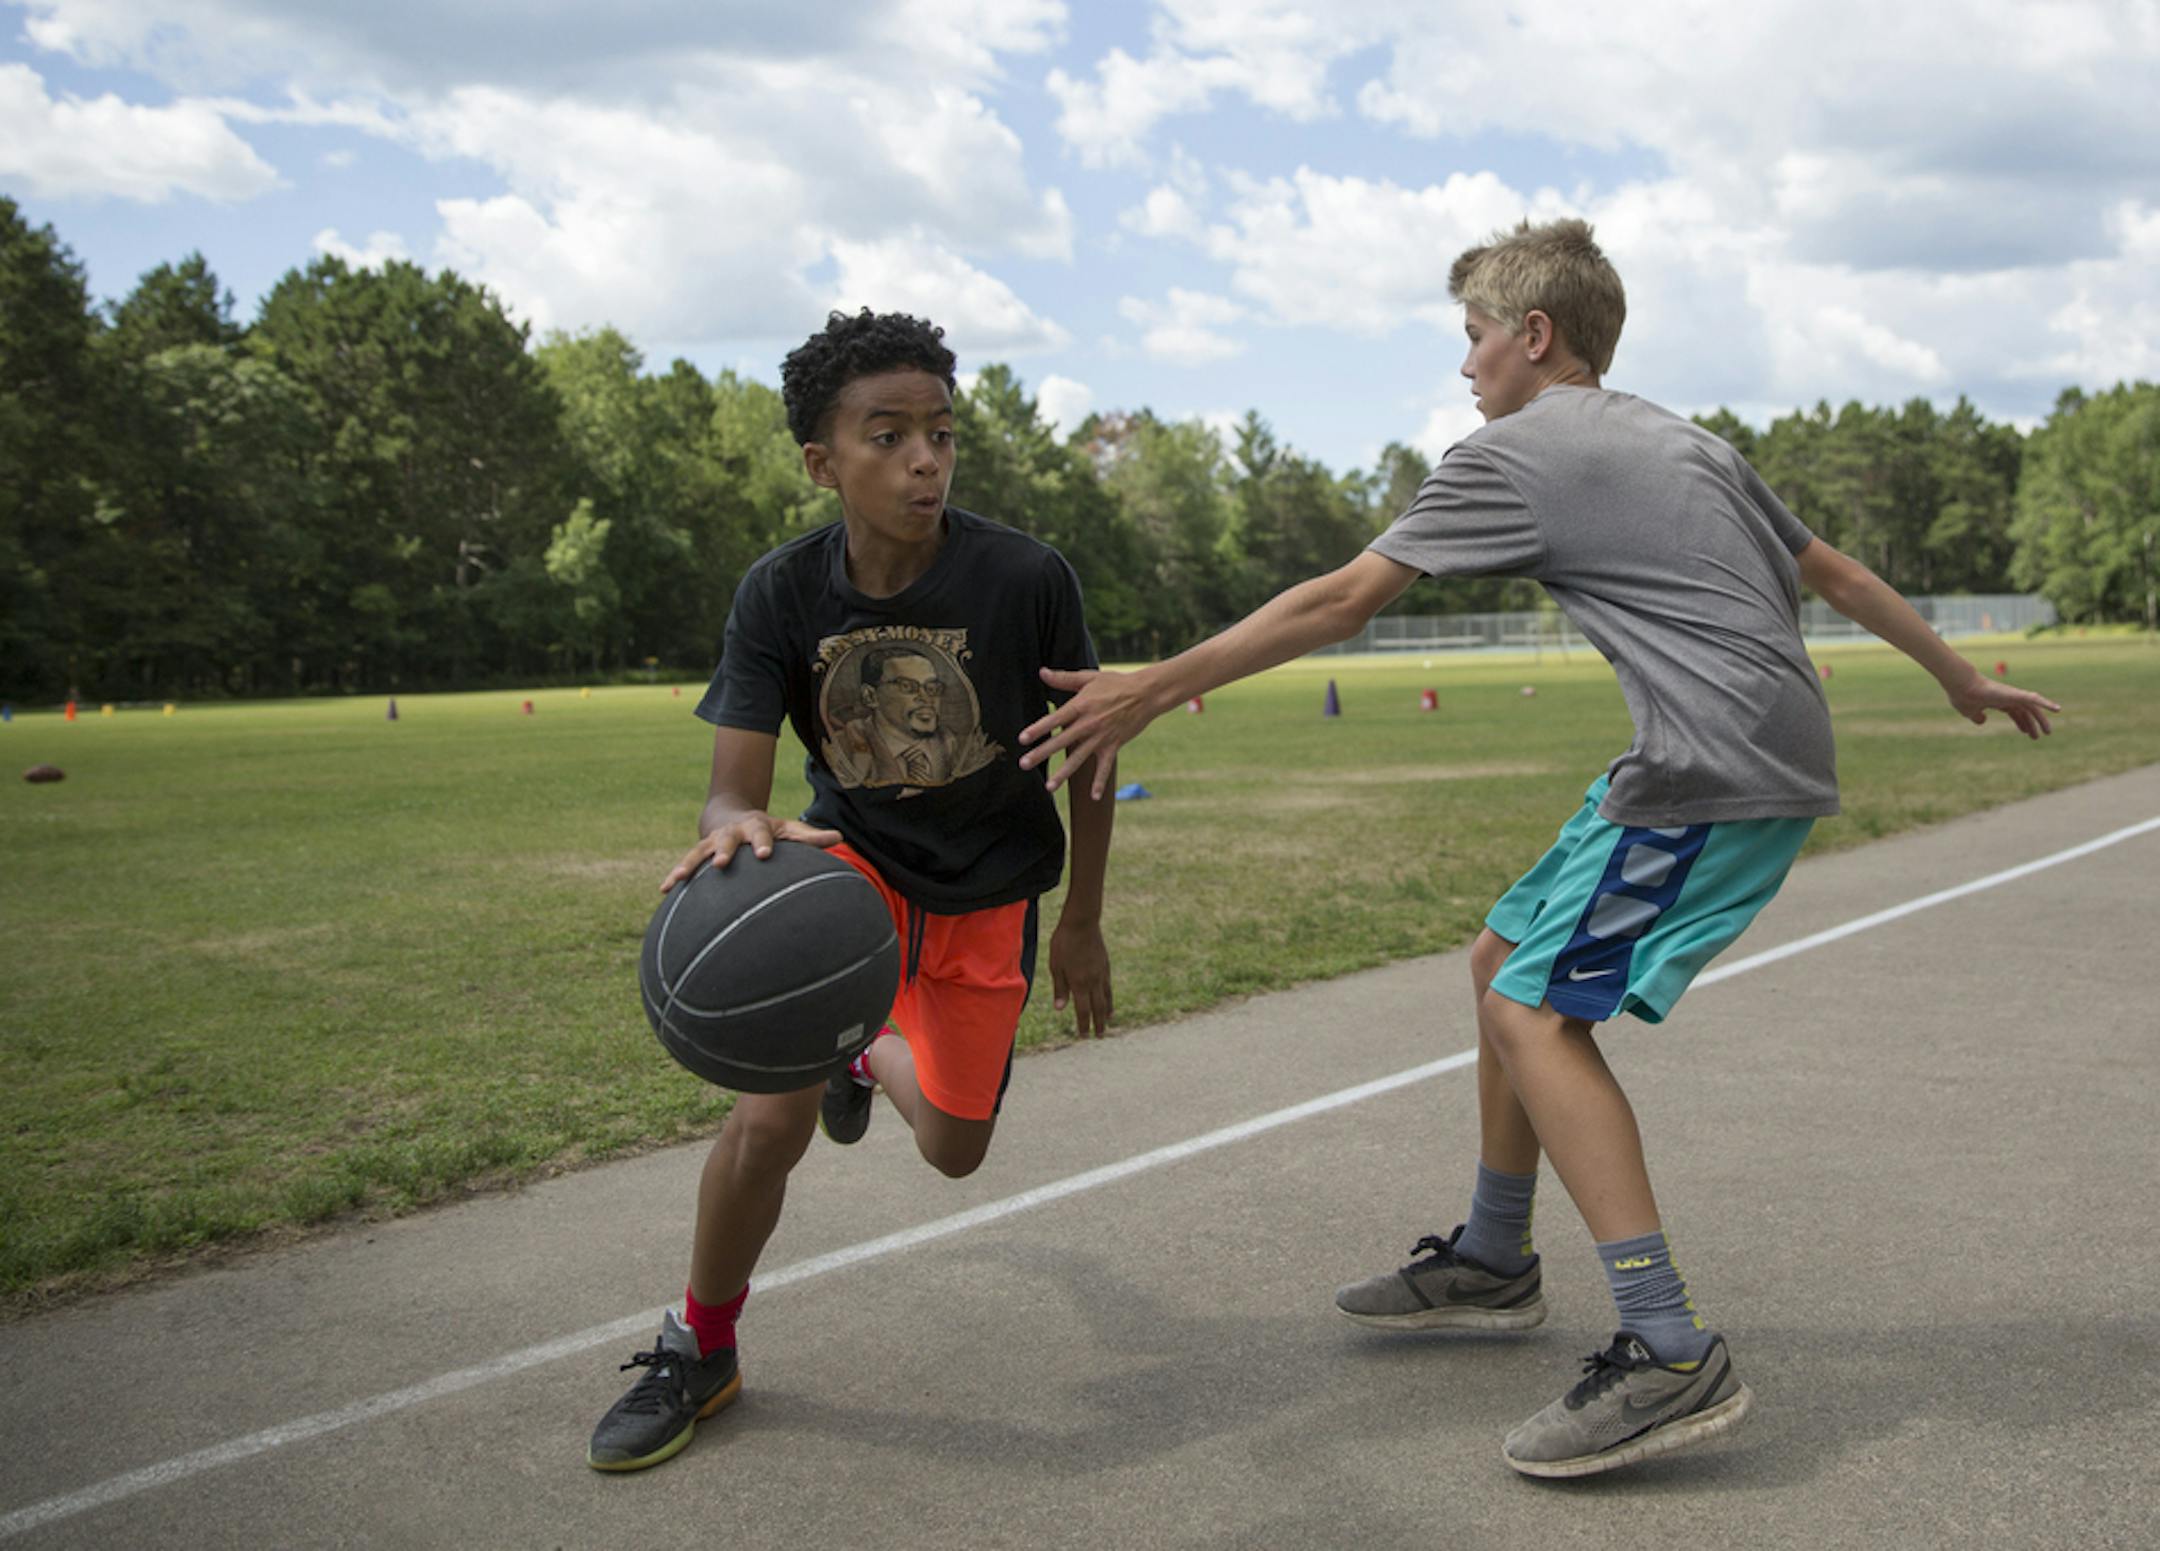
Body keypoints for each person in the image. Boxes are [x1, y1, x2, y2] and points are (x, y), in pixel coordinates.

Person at [1016, 218, 2059, 1478]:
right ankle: (1495, 1257)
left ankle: (1668, 1346)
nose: (1465, 369)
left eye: (1472, 339)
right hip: (1698, 752)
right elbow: (1831, 571)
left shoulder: (1512, 453)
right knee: (1501, 955)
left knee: (1536, 1017)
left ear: (1534, 337)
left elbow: (1341, 600)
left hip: (1711, 767)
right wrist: (1959, 678)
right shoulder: (1685, 435)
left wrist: (1152, 685)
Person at [589, 308, 1117, 1472]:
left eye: (940, 433)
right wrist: (735, 836)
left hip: (990, 891)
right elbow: (731, 794)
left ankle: (858, 1053)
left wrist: (1081, 919)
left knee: (956, 1152)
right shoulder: (780, 595)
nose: (924, 459)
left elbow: (1093, 745)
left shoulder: (1025, 576)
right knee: (763, 1122)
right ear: (823, 462)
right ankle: (703, 1344)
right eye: (888, 436)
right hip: (849, 879)